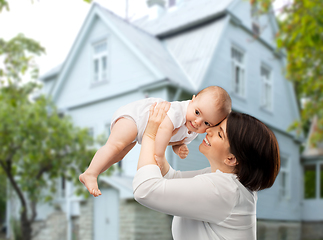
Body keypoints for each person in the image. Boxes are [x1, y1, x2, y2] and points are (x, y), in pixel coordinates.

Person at [133, 102, 280, 240]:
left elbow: (144, 189)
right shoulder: (224, 180)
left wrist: (150, 134)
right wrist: (163, 139)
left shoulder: (225, 190)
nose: (209, 130)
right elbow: (172, 178)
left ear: (231, 159)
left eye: (220, 133)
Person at [79, 86, 232, 197]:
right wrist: (159, 155)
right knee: (115, 146)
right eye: (197, 112)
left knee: (119, 155)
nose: (198, 122)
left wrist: (179, 148)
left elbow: (173, 140)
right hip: (135, 117)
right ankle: (91, 173)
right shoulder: (178, 111)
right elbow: (164, 130)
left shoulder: (192, 129)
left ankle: (93, 173)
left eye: (207, 123)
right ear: (192, 100)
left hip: (140, 132)